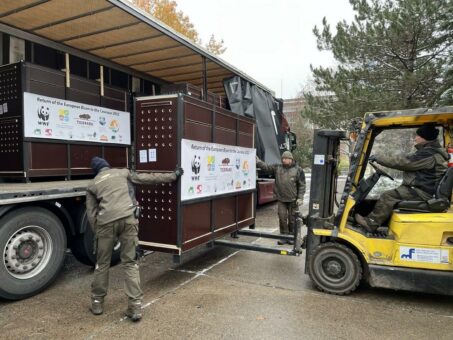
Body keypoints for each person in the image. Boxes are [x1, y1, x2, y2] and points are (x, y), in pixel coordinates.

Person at [86, 157, 183, 321]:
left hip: (106, 223)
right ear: (108, 166)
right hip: (128, 218)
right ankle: (135, 306)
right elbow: (147, 178)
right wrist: (173, 175)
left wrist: (100, 232)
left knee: (102, 264)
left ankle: (97, 303)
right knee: (130, 262)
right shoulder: (122, 173)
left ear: (96, 171)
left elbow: (91, 214)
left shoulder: (92, 185)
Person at [355, 124, 448, 233]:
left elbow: (404, 162)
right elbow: (407, 160)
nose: (415, 138)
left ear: (424, 138)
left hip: (422, 192)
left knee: (388, 196)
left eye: (417, 136)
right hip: (423, 189)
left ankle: (370, 223)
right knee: (387, 195)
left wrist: (379, 158)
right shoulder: (430, 151)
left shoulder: (428, 154)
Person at [256, 151, 306, 245]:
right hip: (281, 199)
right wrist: (258, 162)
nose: (284, 160)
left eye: (286, 158)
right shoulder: (277, 168)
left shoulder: (298, 170)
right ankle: (283, 236)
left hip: (293, 200)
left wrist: (300, 198)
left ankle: (291, 236)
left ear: (291, 159)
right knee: (282, 218)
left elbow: (302, 185)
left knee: (292, 219)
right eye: (283, 158)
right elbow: (266, 167)